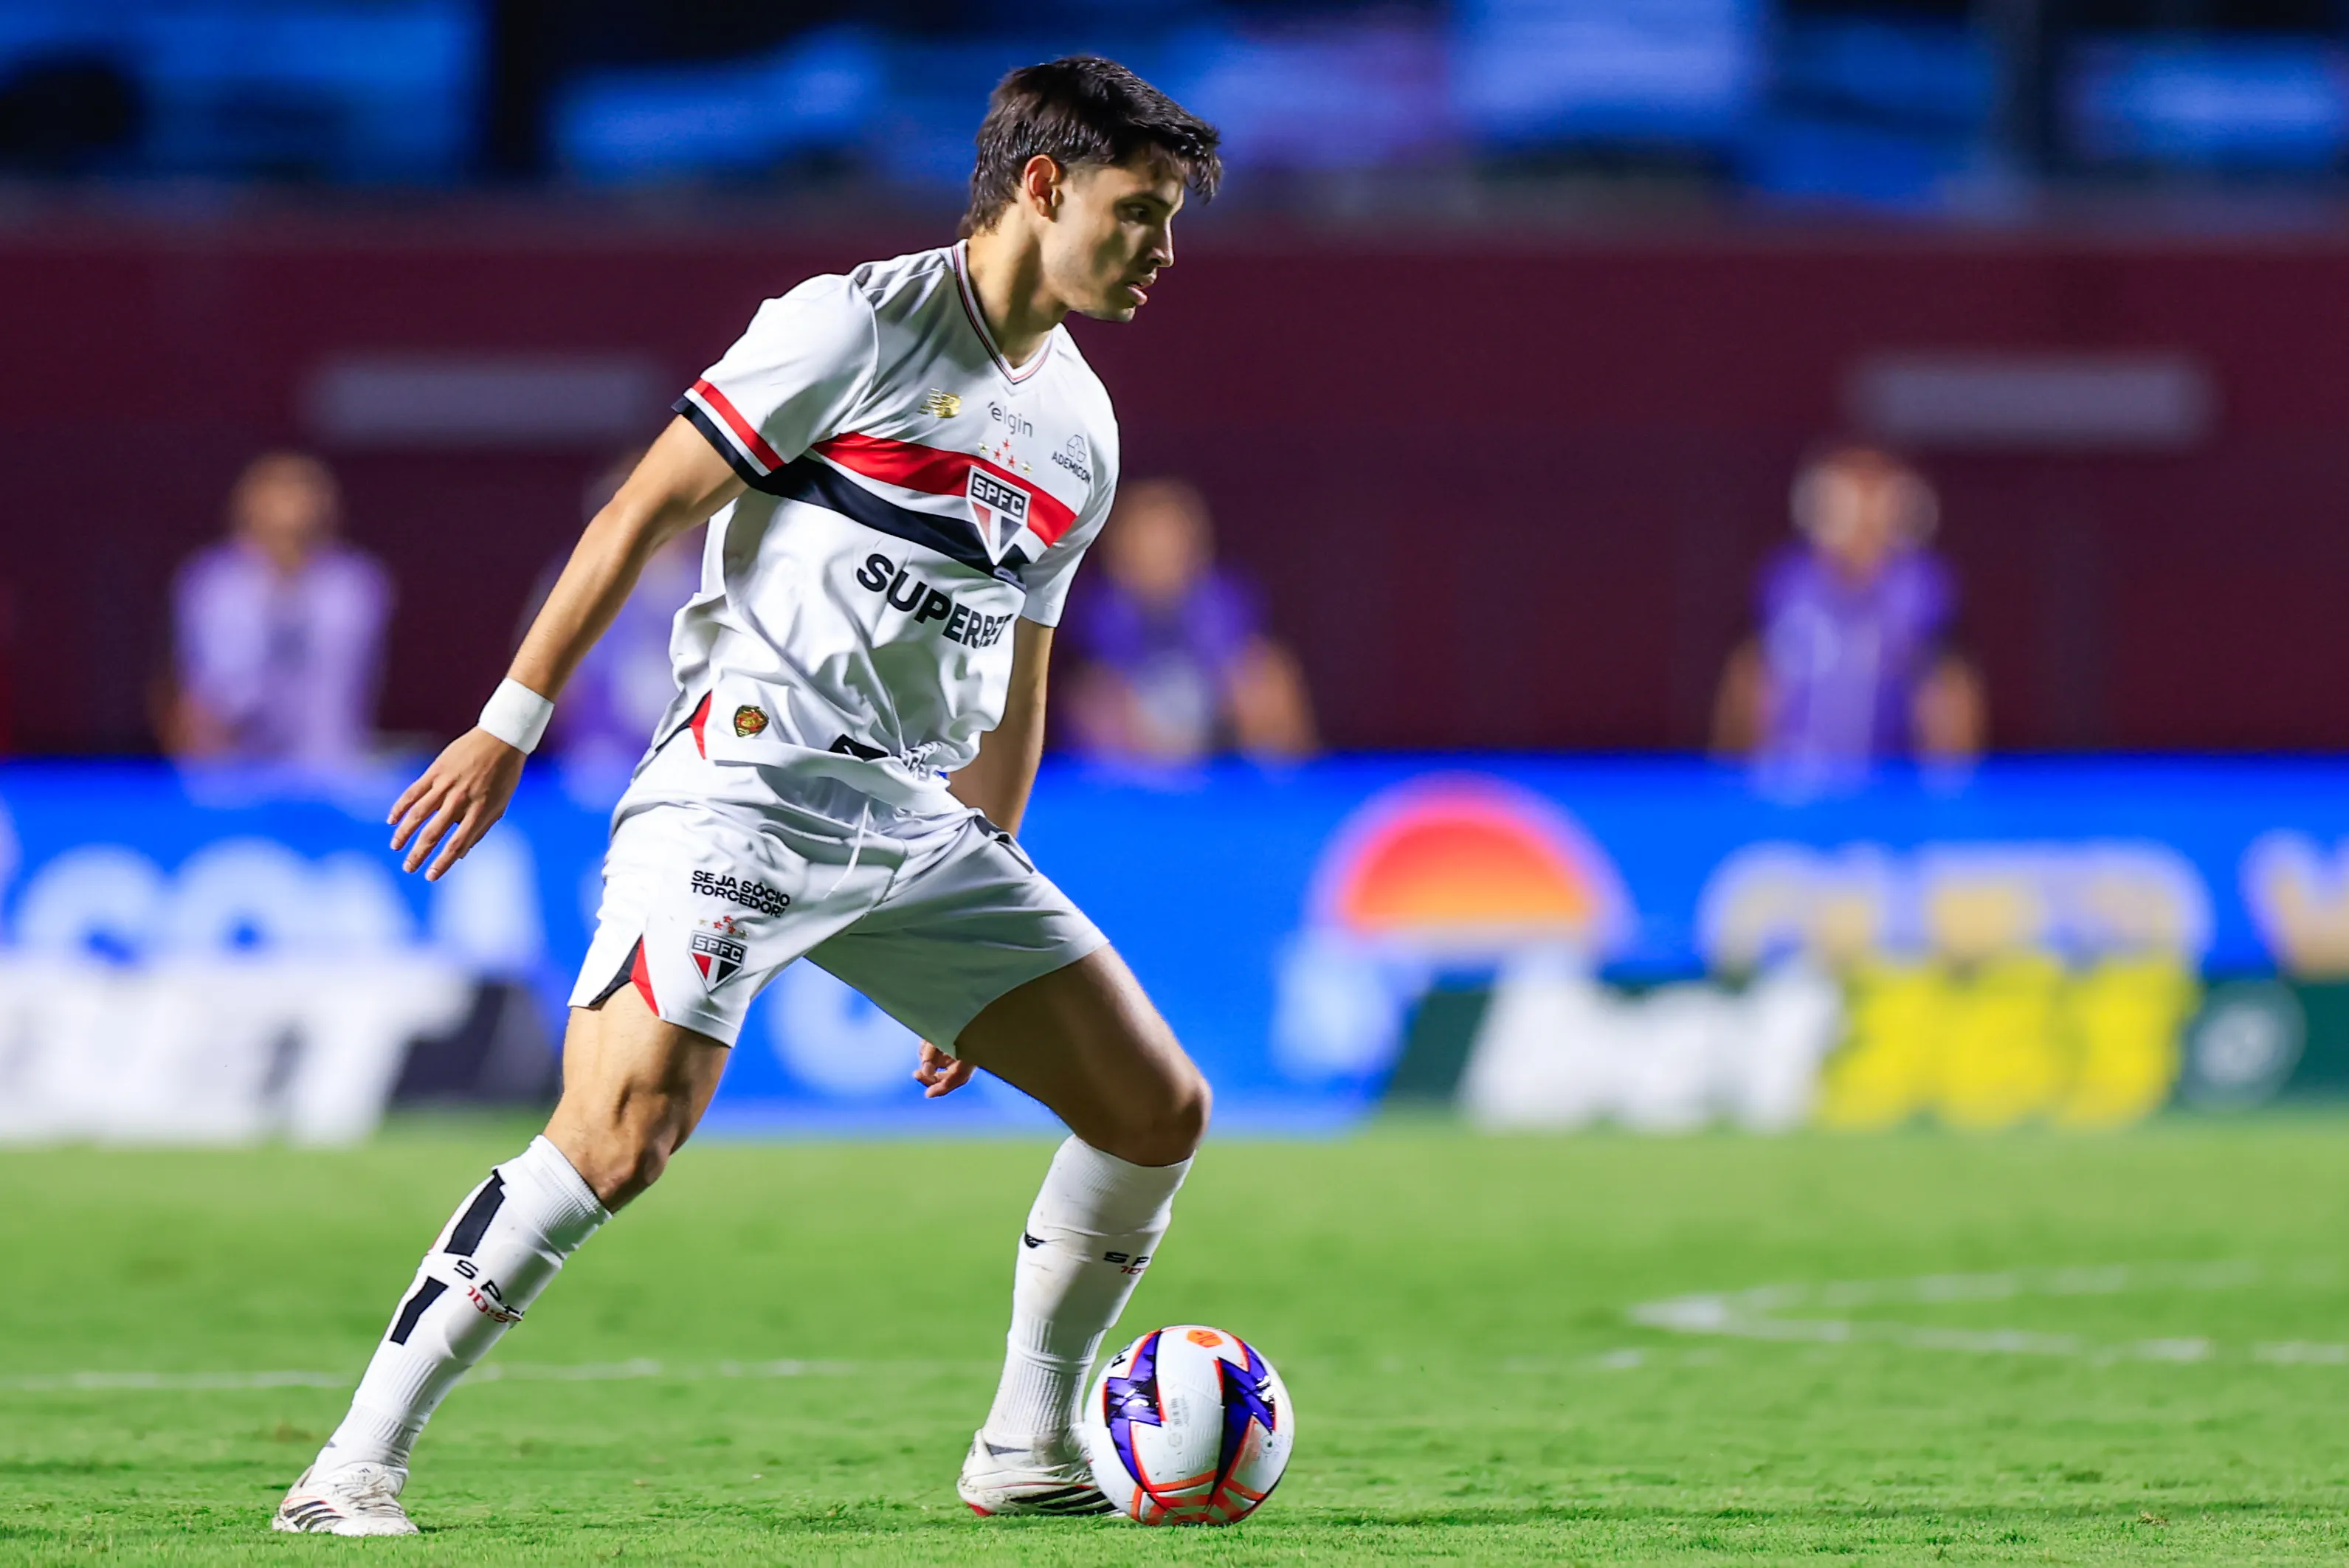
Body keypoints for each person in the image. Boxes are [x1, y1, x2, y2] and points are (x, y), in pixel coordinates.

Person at [275, 58, 1223, 1535]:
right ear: (1042, 187)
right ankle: (350, 1470)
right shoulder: (850, 323)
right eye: (1139, 212)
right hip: (741, 783)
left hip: (913, 824)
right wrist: (505, 725)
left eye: (1167, 219)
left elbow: (1017, 671)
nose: (1161, 250)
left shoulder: (1082, 433)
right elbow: (642, 508)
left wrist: (983, 898)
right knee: (617, 1138)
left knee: (1154, 1108)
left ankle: (1024, 1444)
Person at [1711, 442, 1984, 779]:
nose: (1861, 520)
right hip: (1793, 780)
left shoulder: (1919, 588)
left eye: (1875, 501)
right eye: (1847, 501)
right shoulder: (1788, 581)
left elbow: (1948, 689)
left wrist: (1949, 788)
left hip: (1886, 786)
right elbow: (1749, 677)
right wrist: (1733, 782)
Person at [1063, 477, 1317, 763]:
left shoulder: (1225, 600)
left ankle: (1282, 790)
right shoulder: (1101, 612)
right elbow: (1106, 687)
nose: (1157, 565)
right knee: (1094, 702)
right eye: (1144, 550)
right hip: (1142, 751)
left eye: (1168, 549)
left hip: (1220, 735)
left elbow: (1238, 671)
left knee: (1269, 677)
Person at [166, 452, 392, 767]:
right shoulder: (212, 583)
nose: (292, 508)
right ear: (248, 505)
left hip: (329, 772)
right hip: (230, 773)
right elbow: (208, 687)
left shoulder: (354, 585)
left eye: (303, 492)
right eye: (279, 494)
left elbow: (342, 685)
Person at [525, 448, 704, 785]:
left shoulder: (718, 578)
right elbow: (545, 672)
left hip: (695, 769)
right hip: (597, 764)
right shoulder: (576, 576)